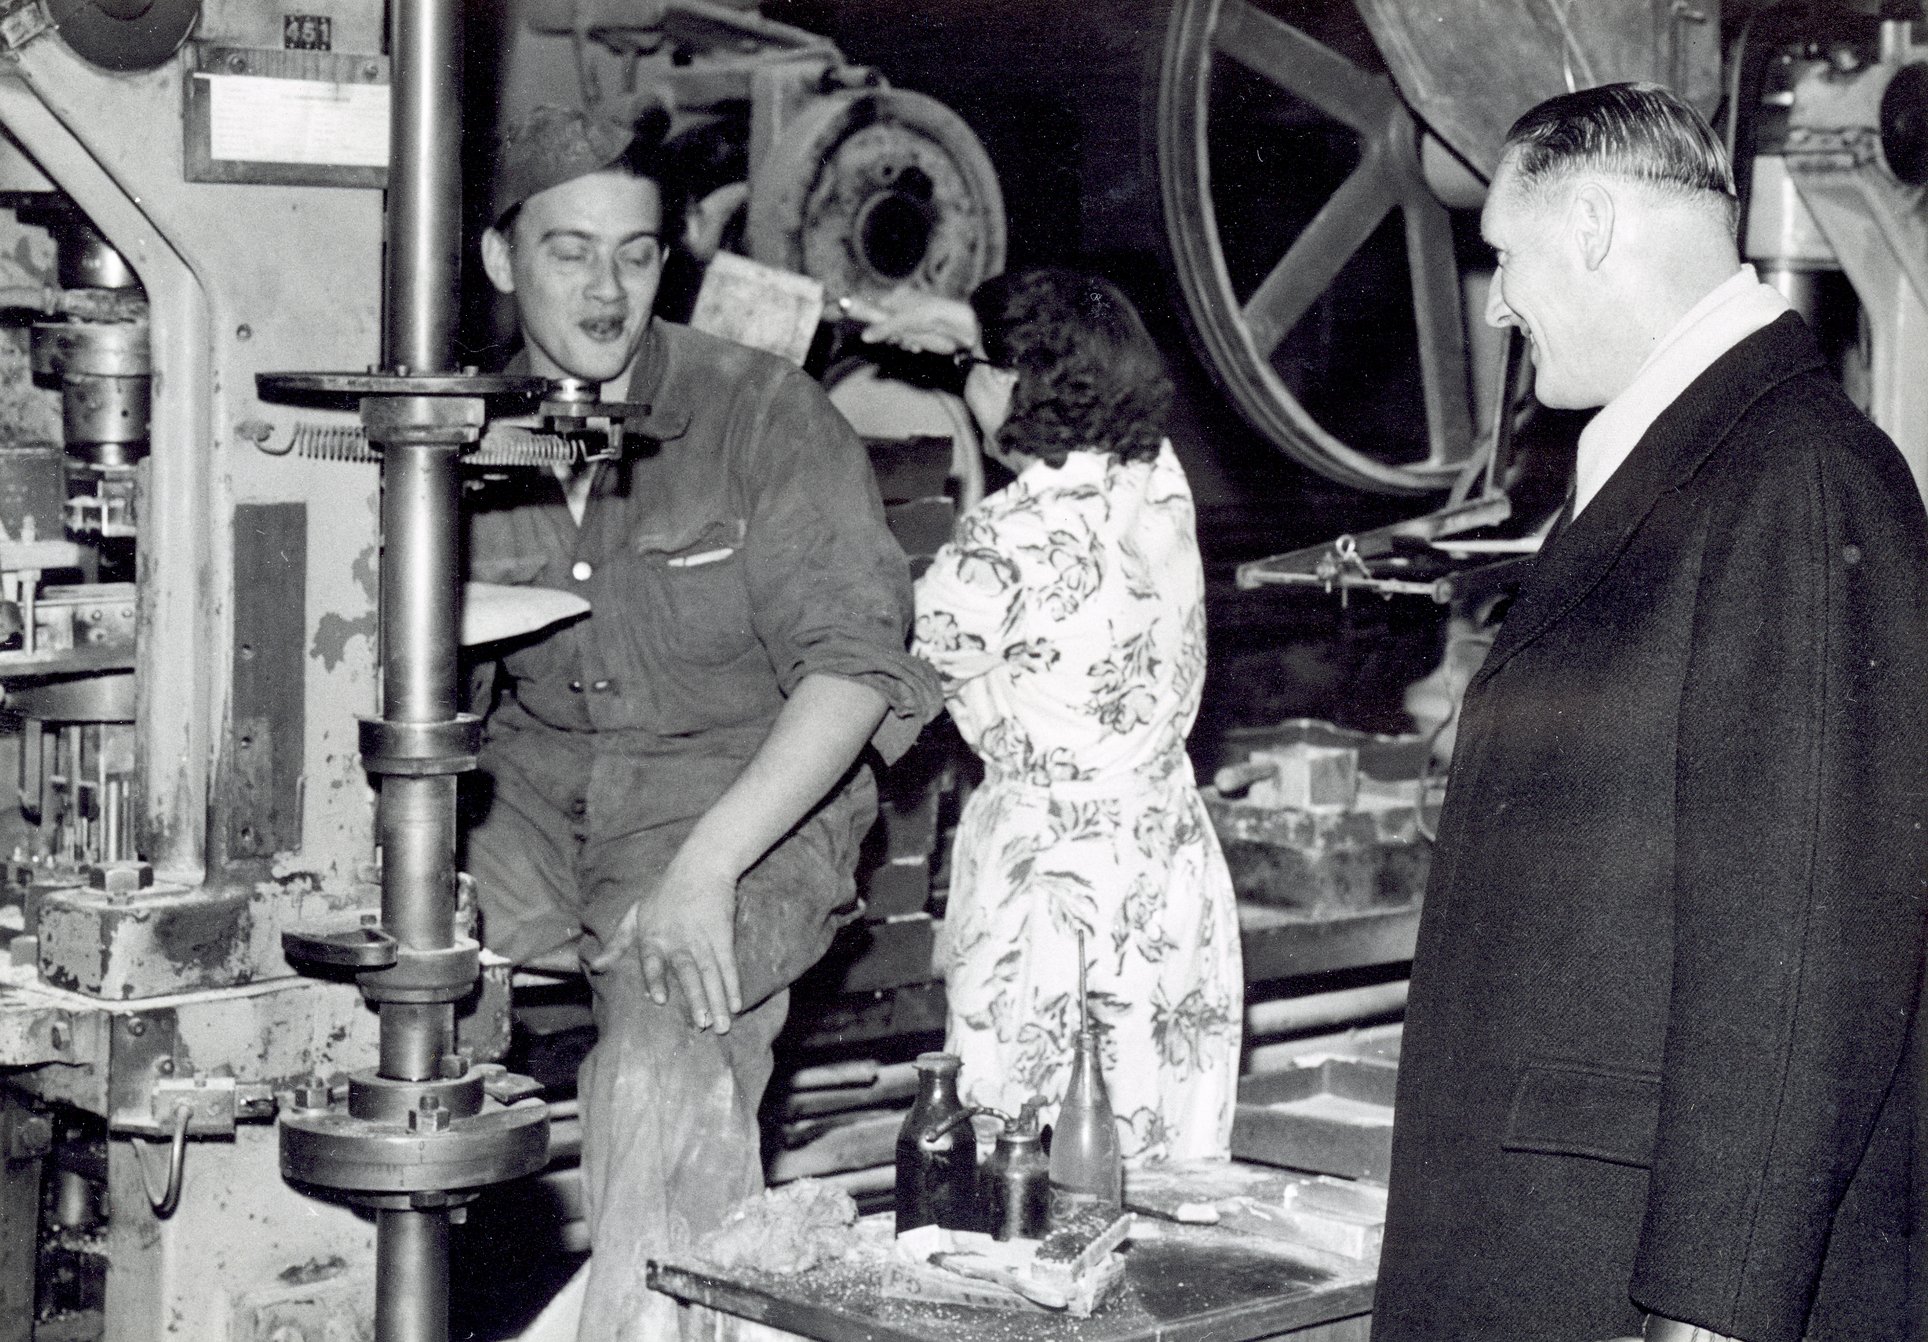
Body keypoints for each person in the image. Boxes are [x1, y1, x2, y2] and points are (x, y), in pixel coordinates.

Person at [1372, 83, 1927, 1342]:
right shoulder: (1679, 457)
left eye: (1504, 255)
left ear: (1591, 226)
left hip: (1637, 1278)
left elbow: (1797, 947)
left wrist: (1707, 1313)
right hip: (1568, 1243)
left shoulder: (1795, 474)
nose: (1498, 301)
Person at [463, 105, 939, 1341]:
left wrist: (706, 869)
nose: (608, 287)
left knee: (661, 1059)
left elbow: (850, 671)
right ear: (498, 258)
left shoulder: (762, 414)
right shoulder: (455, 428)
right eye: (568, 251)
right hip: (530, 795)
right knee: (349, 1005)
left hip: (733, 792)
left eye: (634, 251)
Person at [857, 269, 1244, 1163]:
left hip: (1049, 885)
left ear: (1008, 383)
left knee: (1024, 1158)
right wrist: (982, 333)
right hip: (1162, 868)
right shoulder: (1155, 486)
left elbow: (893, 682)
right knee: (1158, 1153)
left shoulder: (1001, 540)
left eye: (974, 369)